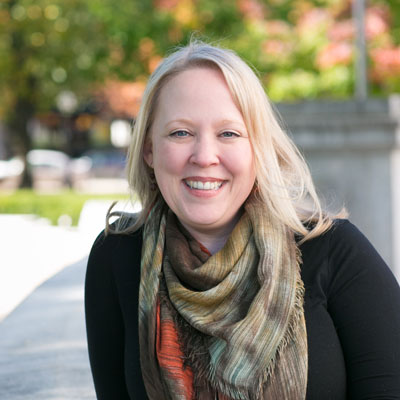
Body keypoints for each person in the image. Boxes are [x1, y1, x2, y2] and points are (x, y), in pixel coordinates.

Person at [85, 41, 400, 400]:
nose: (204, 156)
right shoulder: (118, 256)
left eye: (229, 133)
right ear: (149, 150)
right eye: (180, 133)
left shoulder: (336, 252)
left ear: (258, 149)